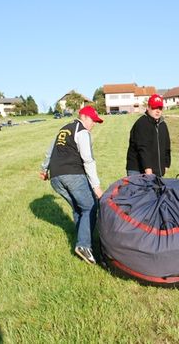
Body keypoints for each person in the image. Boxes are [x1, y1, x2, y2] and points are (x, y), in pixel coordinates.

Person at [40, 106, 105, 265]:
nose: (94, 124)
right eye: (92, 120)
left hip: (56, 178)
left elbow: (50, 151)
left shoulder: (63, 130)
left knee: (78, 208)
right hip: (72, 174)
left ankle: (83, 241)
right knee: (90, 206)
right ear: (83, 117)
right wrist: (96, 187)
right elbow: (88, 160)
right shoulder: (81, 131)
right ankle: (83, 245)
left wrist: (44, 169)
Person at [125, 94, 171, 177]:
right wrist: (148, 169)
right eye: (154, 108)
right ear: (148, 107)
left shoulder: (162, 124)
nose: (157, 111)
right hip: (138, 170)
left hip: (155, 171)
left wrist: (167, 164)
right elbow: (142, 148)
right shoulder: (142, 123)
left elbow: (167, 146)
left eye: (160, 108)